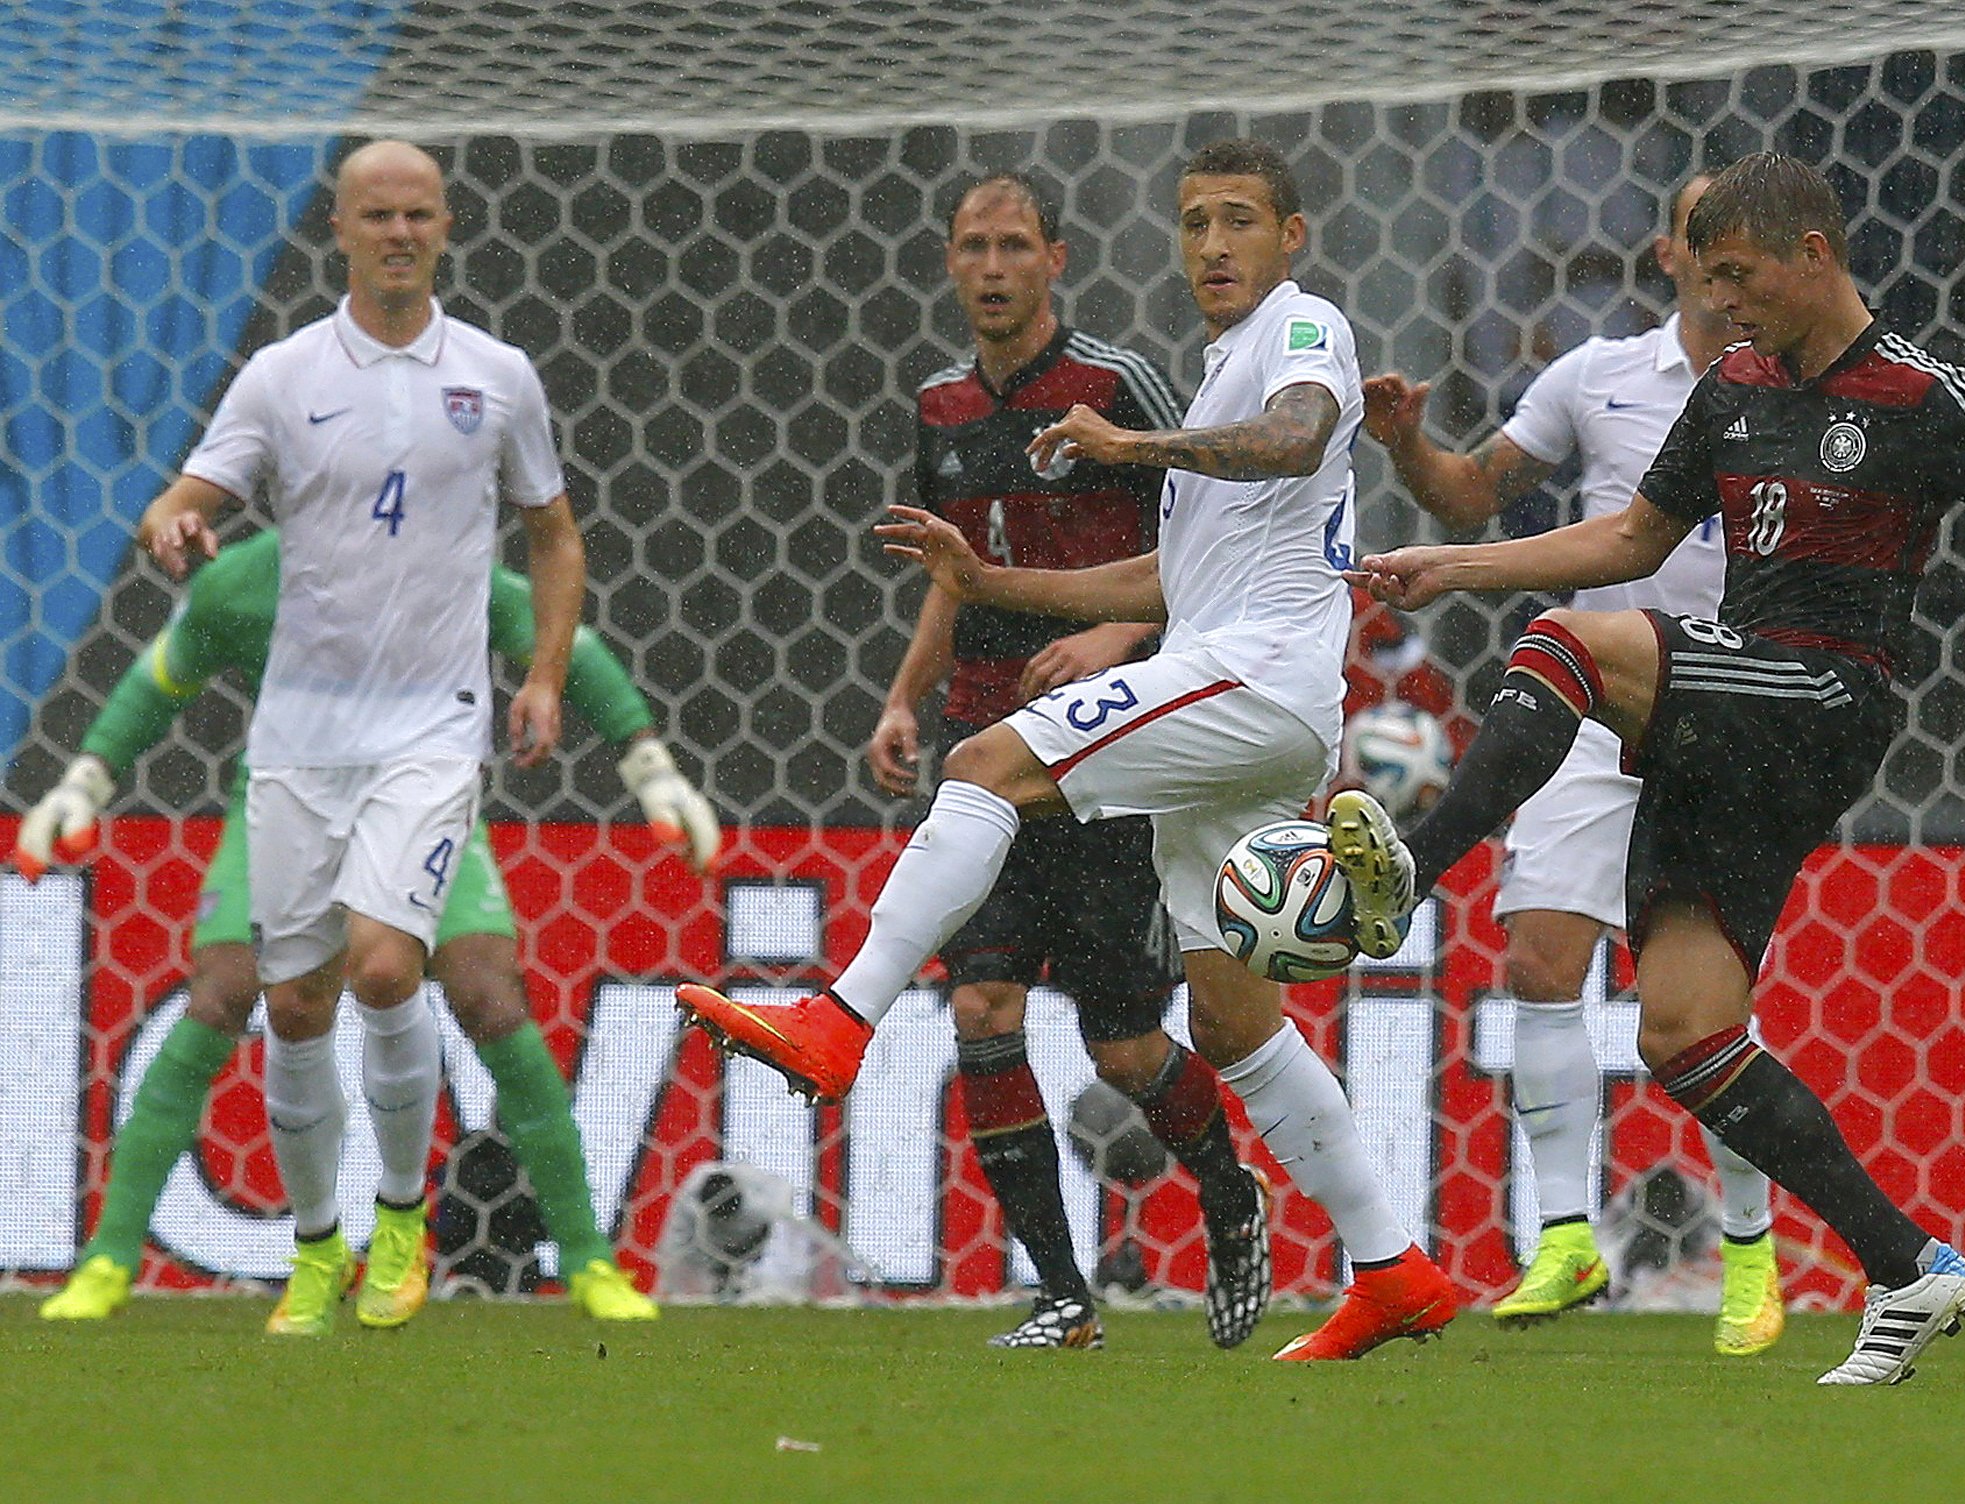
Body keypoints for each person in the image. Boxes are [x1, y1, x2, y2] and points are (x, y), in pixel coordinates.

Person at [1337, 152, 1965, 1385]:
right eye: (1709, 280)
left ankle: (1408, 875)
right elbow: (1632, 536)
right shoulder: (1734, 388)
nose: (1726, 304)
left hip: (1824, 696)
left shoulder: (1925, 394)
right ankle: (1913, 1266)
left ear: (1814, 253)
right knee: (1684, 1031)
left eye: (1741, 276)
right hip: (1728, 723)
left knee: (1576, 641)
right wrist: (1451, 567)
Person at [684, 137, 1458, 1361]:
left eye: (1240, 221)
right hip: (1235, 690)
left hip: (1253, 679)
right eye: (1195, 221)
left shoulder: (1304, 331)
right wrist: (986, 577)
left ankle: (839, 1018)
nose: (1213, 244)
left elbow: (1301, 437)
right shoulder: (1211, 380)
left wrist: (1130, 449)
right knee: (1234, 1024)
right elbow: (1167, 570)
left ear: (1290, 237)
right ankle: (1392, 1268)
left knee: (982, 764)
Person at [22, 528, 719, 1324]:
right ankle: (111, 1258)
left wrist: (648, 766)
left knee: (486, 992)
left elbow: (564, 644)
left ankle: (590, 1262)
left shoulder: (436, 560)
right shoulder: (244, 583)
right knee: (223, 994)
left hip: (420, 797)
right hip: (288, 801)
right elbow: (159, 678)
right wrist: (84, 782)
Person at [133, 139, 592, 1337]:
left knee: (388, 968)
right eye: (376, 214)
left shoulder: (495, 376)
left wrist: (540, 674)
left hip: (432, 729)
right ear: (338, 227)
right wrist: (172, 525)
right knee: (295, 1006)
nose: (399, 233)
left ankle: (401, 1224)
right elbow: (192, 499)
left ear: (445, 227)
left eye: (419, 215)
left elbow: (554, 534)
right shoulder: (284, 377)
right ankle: (314, 1245)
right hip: (299, 735)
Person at [1361, 176, 1785, 1356]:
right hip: (1596, 706)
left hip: (1735, 715)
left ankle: (1749, 1251)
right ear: (1666, 252)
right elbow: (1470, 494)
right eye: (1701, 233)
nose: (1718, 255)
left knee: (1697, 1014)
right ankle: (1564, 1237)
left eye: (1738, 236)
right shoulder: (1594, 377)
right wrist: (1405, 443)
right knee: (1540, 959)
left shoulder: (1800, 389)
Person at [868, 172, 1270, 1351]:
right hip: (985, 754)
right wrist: (905, 697)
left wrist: (1119, 634)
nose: (989, 268)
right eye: (969, 248)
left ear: (1057, 256)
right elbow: (960, 572)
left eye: (1011, 246)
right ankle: (1062, 1294)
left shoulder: (1115, 389)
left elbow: (1205, 545)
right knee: (983, 1007)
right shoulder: (941, 405)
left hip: (1106, 752)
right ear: (949, 263)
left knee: (1126, 1044)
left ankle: (1229, 1192)